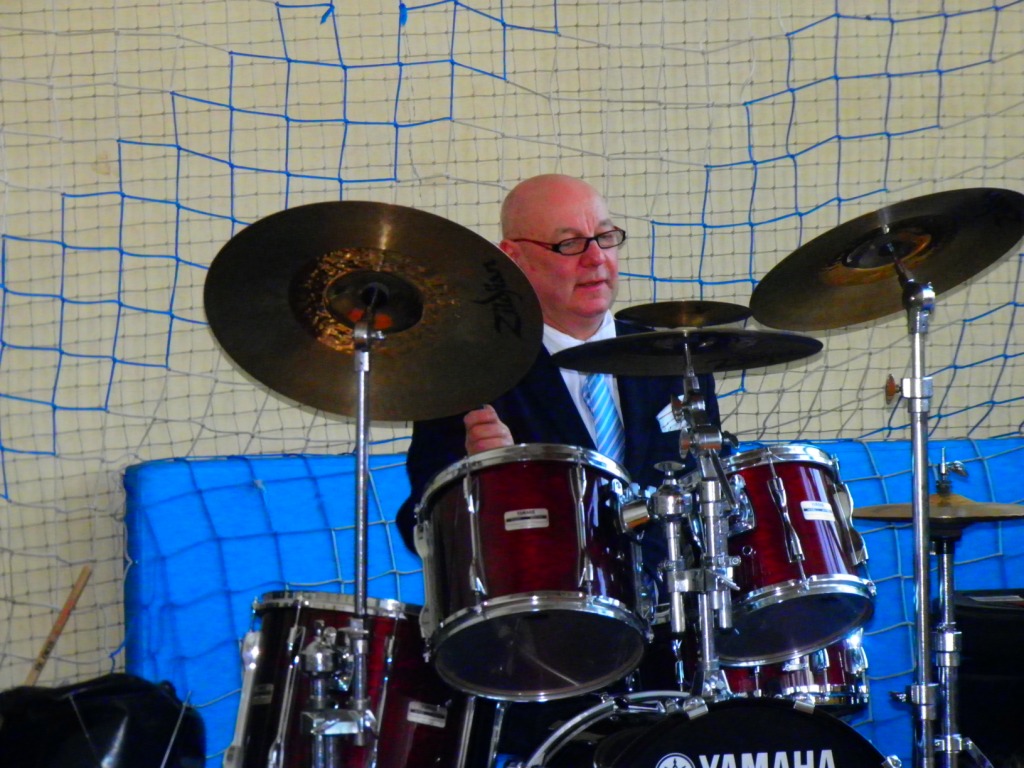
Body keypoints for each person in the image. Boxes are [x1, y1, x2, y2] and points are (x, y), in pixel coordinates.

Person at [395, 174, 726, 762]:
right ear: (514, 258)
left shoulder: (674, 358)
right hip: (544, 664)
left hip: (675, 652)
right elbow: (419, 523)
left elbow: (710, 495)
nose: (596, 259)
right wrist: (483, 478)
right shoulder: (471, 375)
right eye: (569, 243)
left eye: (606, 237)